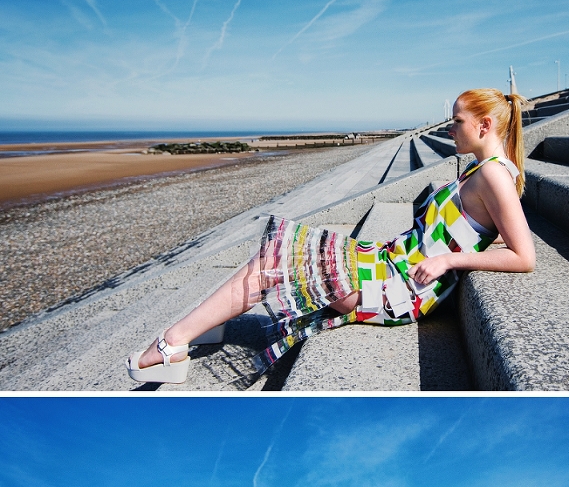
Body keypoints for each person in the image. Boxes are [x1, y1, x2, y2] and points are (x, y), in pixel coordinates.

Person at [126, 89, 536, 384]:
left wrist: (450, 260)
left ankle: (173, 342)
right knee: (281, 252)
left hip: (402, 289)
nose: (450, 128)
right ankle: (197, 328)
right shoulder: (482, 171)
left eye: (457, 121)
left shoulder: (493, 175)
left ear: (484, 126)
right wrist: (474, 243)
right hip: (389, 262)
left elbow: (524, 257)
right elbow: (484, 230)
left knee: (276, 263)